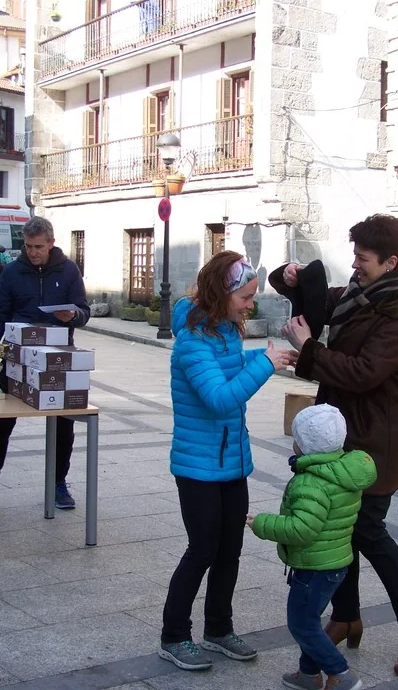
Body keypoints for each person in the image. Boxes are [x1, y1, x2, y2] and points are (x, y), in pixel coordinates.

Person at [271, 214, 398, 677]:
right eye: (355, 256)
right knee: (338, 526)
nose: (355, 264)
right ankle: (346, 617)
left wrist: (309, 348)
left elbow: (364, 373)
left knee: (366, 530)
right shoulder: (354, 295)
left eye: (363, 258)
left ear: (391, 262)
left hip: (378, 436)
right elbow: (313, 300)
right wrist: (289, 277)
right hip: (341, 429)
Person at [158, 251, 297, 672]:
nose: (250, 305)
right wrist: (265, 366)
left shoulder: (224, 331)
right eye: (246, 297)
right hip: (198, 467)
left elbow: (231, 368)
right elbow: (219, 398)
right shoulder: (192, 340)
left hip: (232, 463)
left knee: (230, 550)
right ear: (222, 293)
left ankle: (218, 629)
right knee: (202, 550)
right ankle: (174, 636)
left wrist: (264, 359)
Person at [247, 404, 376, 690]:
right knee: (310, 620)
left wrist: (262, 523)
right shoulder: (343, 471)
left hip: (314, 566)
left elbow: (301, 529)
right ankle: (308, 673)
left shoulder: (311, 482)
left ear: (302, 445)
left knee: (302, 624)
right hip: (335, 562)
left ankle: (341, 674)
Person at [0, 217, 91, 515]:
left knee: (63, 424)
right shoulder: (12, 271)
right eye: (28, 246)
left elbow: (83, 312)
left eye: (38, 247)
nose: (33, 252)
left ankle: (58, 483)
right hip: (16, 357)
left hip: (57, 358)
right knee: (1, 423)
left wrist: (72, 316)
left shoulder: (69, 270)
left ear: (51, 243)